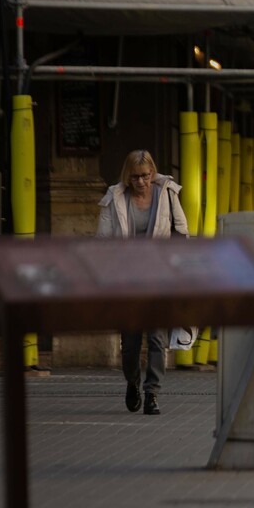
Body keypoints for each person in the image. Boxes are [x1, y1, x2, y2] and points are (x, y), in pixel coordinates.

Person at [96, 150, 189, 416]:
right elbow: (101, 242)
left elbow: (181, 231)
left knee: (158, 337)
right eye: (135, 177)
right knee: (131, 343)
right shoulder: (115, 198)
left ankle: (152, 393)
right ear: (128, 176)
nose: (141, 182)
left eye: (146, 176)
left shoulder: (167, 193)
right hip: (127, 279)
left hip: (159, 276)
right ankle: (133, 382)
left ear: (153, 173)